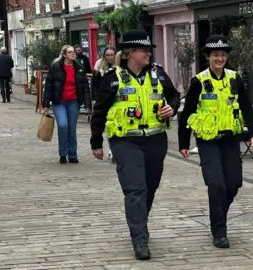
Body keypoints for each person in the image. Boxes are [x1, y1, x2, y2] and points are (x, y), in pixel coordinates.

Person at [89, 29, 180, 260]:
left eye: (149, 50)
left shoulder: (158, 74)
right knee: (135, 189)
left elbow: (174, 95)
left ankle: (140, 222)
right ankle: (139, 238)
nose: (148, 54)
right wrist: (96, 142)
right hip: (125, 141)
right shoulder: (112, 77)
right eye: (144, 50)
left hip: (155, 140)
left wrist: (172, 107)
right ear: (130, 52)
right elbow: (99, 111)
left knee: (149, 187)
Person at [178, 35, 253, 248]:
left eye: (223, 55)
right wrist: (183, 143)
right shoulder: (199, 81)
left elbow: (246, 107)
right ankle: (220, 231)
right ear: (207, 56)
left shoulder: (234, 78)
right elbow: (186, 113)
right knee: (216, 184)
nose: (220, 58)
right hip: (208, 141)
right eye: (215, 54)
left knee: (233, 183)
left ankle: (218, 217)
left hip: (230, 139)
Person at [43, 45, 92, 164]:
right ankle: (63, 153)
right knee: (63, 125)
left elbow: (85, 87)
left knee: (72, 129)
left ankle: (73, 154)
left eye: (73, 52)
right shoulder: (56, 67)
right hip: (59, 101)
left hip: (74, 101)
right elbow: (48, 86)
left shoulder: (79, 67)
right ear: (64, 55)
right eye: (70, 52)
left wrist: (87, 105)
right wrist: (45, 105)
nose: (73, 54)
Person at [91, 46, 117, 163]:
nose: (110, 57)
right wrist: (95, 100)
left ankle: (114, 149)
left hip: (117, 101)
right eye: (108, 55)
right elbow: (95, 85)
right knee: (108, 126)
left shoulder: (120, 67)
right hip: (104, 101)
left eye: (112, 55)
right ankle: (112, 148)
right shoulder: (99, 67)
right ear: (104, 56)